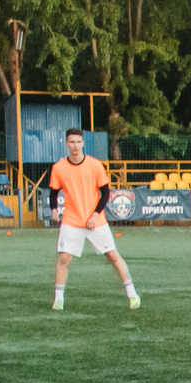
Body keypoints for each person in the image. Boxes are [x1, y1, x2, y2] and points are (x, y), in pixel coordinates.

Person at [46, 127, 139, 312]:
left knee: (112, 255)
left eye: (78, 142)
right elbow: (54, 193)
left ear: (83, 143)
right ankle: (58, 299)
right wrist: (54, 210)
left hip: (96, 220)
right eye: (72, 142)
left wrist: (95, 214)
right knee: (64, 258)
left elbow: (105, 193)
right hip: (72, 220)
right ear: (66, 144)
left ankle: (132, 293)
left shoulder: (95, 165)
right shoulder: (59, 168)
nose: (75, 146)